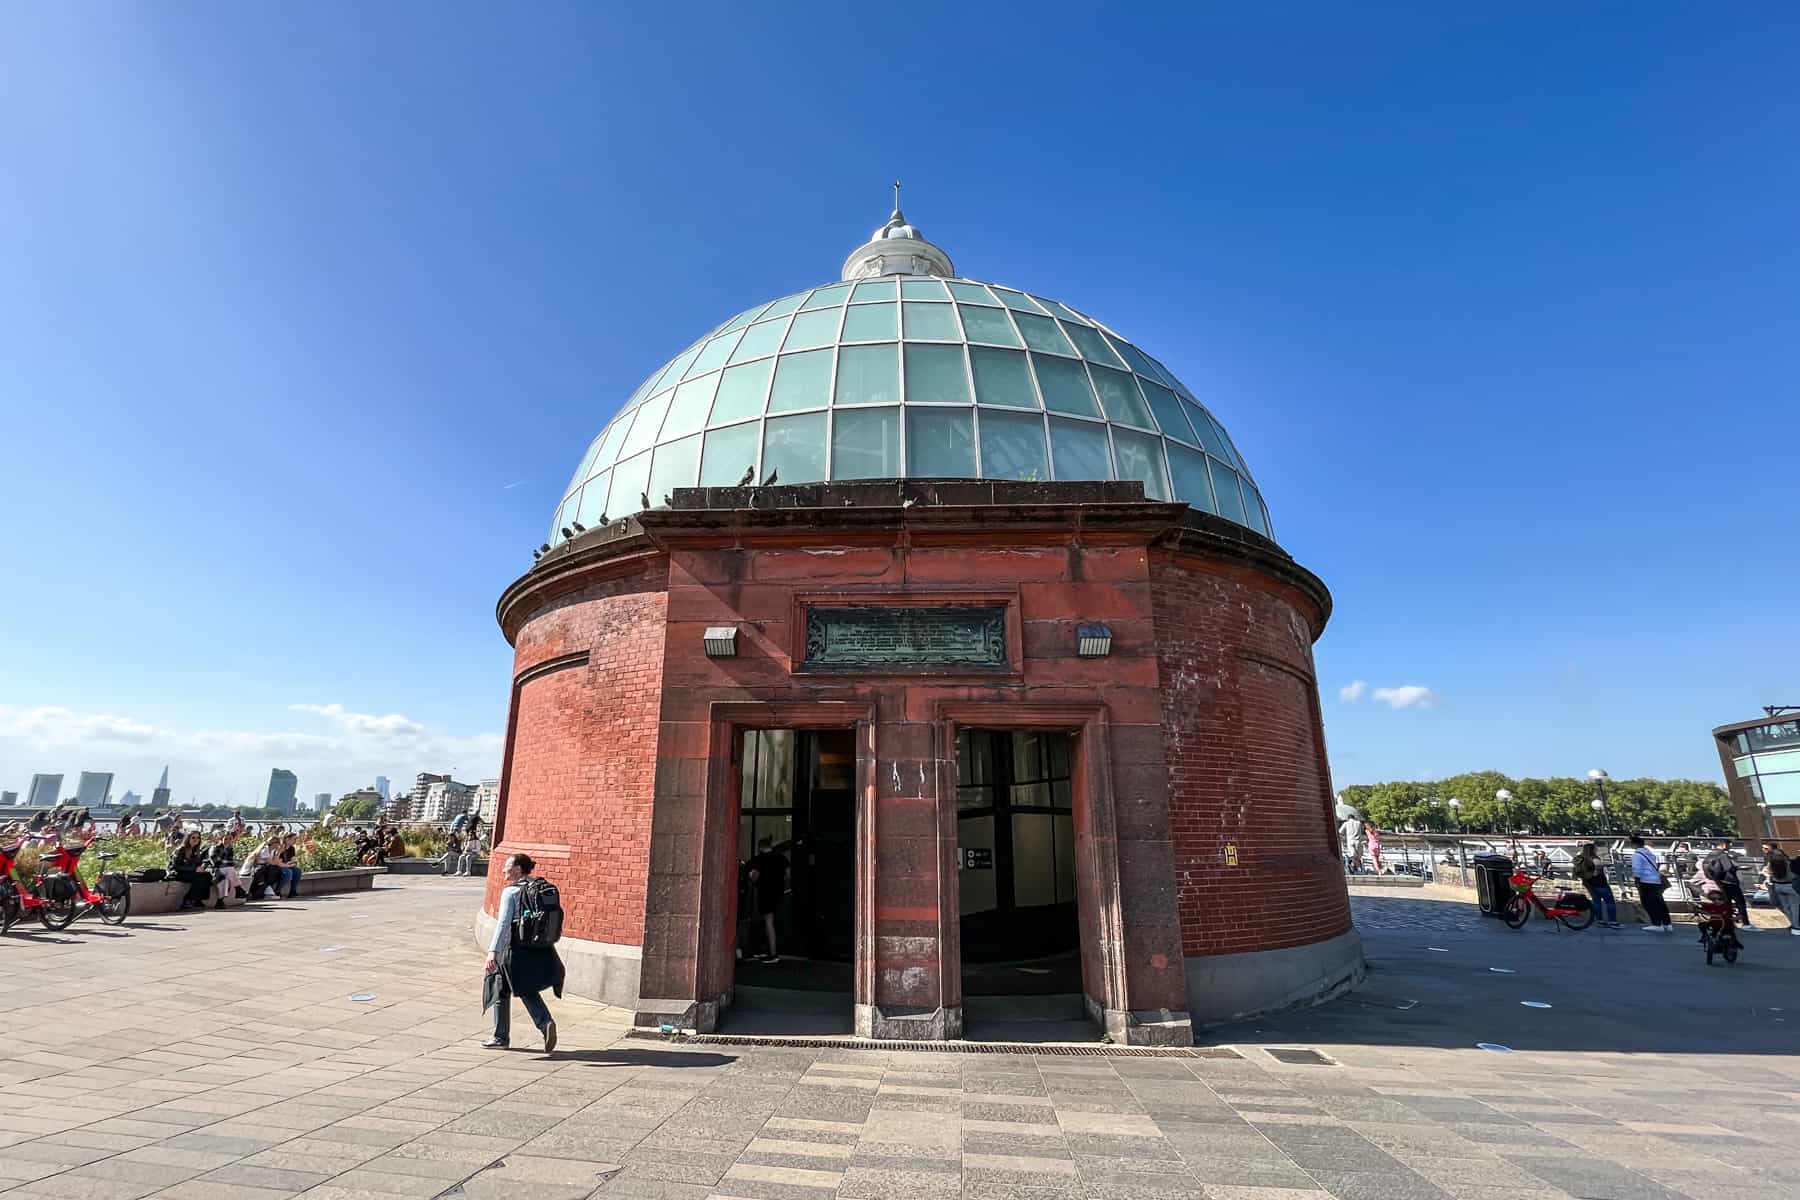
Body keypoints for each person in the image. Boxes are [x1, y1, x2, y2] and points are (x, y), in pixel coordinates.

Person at [482, 852, 562, 1051]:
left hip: (512, 948)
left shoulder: (511, 892)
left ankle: (534, 1026)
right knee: (517, 986)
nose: (503, 870)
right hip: (535, 947)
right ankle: (542, 1024)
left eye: (507, 866)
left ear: (517, 869)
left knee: (501, 986)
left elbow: (503, 923)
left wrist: (493, 951)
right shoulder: (538, 886)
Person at [746, 837, 788, 963]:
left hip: (765, 893)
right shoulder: (781, 858)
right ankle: (769, 950)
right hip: (779, 894)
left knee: (767, 921)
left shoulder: (759, 860)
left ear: (760, 847)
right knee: (773, 921)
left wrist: (752, 878)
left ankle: (772, 953)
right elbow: (787, 874)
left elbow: (754, 876)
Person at [1700, 839, 1751, 929]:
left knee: (1725, 904)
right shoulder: (1723, 855)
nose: (1729, 847)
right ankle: (1746, 923)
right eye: (1729, 845)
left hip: (1719, 882)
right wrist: (1740, 868)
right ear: (1724, 845)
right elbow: (1729, 868)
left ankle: (1726, 922)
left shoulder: (1710, 855)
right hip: (1730, 882)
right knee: (1740, 903)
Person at [1629, 834, 1673, 932]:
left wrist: (1637, 880)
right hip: (1655, 880)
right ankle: (1667, 923)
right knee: (1659, 902)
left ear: (1634, 844)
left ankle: (1656, 923)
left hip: (1645, 880)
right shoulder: (1649, 853)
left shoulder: (1637, 855)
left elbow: (1637, 869)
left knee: (1648, 903)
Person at [1572, 841, 1620, 928]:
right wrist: (1595, 872)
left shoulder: (1581, 858)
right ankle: (1613, 922)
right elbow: (1598, 866)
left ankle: (1599, 921)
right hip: (1599, 882)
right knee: (1609, 902)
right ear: (1592, 849)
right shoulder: (1594, 858)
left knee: (1596, 901)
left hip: (1588, 882)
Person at [168, 831, 216, 911]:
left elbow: (199, 863)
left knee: (207, 876)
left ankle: (198, 900)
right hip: (177, 873)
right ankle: (187, 900)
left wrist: (203, 866)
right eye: (193, 837)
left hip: (190, 872)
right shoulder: (181, 850)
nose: (196, 839)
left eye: (198, 838)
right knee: (199, 877)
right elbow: (175, 866)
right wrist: (194, 869)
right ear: (188, 838)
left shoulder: (196, 850)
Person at [1761, 840, 1799, 935]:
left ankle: (1793, 924)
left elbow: (1767, 873)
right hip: (1790, 885)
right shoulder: (1787, 862)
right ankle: (1796, 926)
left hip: (1777, 885)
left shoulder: (1771, 862)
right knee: (1795, 907)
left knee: (1786, 907)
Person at [208, 830, 246, 906]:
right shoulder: (215, 848)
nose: (228, 841)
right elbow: (215, 862)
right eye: (225, 839)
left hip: (225, 871)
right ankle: (238, 889)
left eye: (230, 839)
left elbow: (231, 862)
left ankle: (220, 901)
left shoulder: (230, 849)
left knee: (224, 880)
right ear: (221, 839)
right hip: (215, 870)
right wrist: (225, 862)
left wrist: (225, 862)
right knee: (229, 870)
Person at [275, 833, 302, 898]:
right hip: (279, 866)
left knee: (297, 871)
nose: (295, 841)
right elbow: (277, 861)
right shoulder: (280, 848)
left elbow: (293, 859)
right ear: (287, 839)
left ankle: (293, 891)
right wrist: (288, 865)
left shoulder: (292, 848)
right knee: (288, 873)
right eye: (294, 839)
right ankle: (277, 890)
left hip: (287, 865)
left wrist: (293, 862)